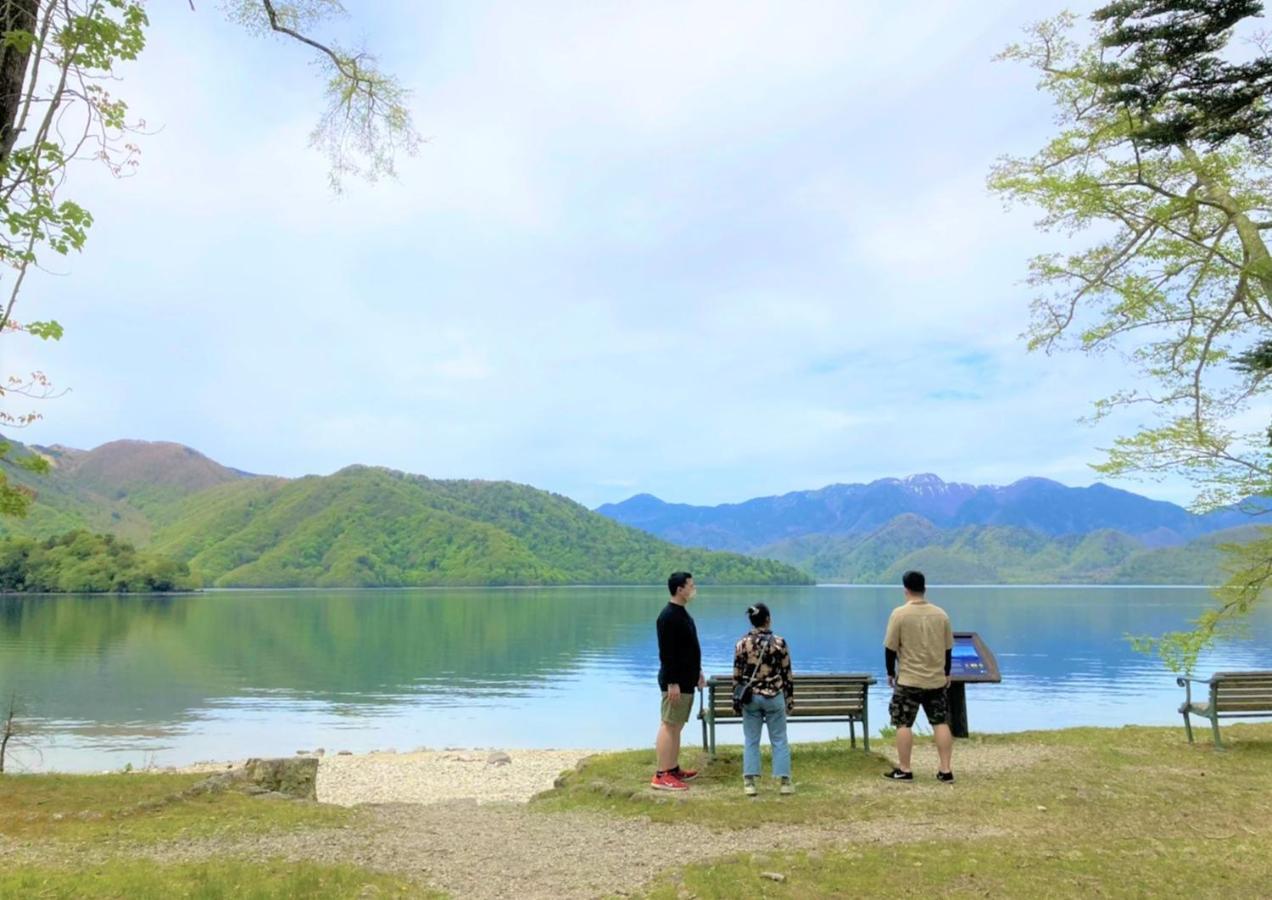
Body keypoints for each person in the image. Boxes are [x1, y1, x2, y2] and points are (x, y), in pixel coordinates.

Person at [882, 570, 955, 783]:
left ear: (905, 589)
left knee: (903, 724)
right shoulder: (941, 614)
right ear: (924, 588)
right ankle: (945, 770)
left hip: (908, 680)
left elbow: (890, 648)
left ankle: (905, 769)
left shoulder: (899, 614)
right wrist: (947, 672)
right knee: (940, 722)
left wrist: (890, 673)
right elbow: (948, 649)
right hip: (936, 679)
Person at [732, 602, 795, 796]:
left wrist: (736, 700)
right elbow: (787, 673)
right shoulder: (779, 643)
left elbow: (737, 674)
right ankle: (784, 782)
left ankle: (749, 783)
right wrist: (789, 700)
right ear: (768, 619)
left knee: (751, 739)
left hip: (751, 698)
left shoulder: (742, 644)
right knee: (779, 739)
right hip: (774, 696)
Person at [652, 571, 704, 791]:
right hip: (675, 682)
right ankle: (661, 774)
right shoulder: (668, 616)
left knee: (677, 725)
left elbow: (689, 648)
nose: (694, 589)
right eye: (691, 586)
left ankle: (673, 768)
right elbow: (667, 652)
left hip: (686, 679)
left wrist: (697, 671)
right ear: (679, 589)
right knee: (669, 724)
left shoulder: (682, 613)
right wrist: (672, 682)